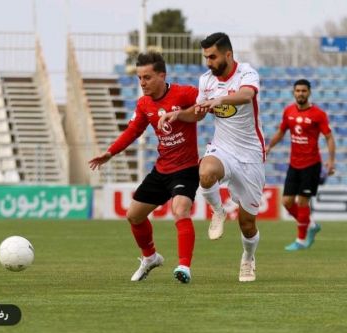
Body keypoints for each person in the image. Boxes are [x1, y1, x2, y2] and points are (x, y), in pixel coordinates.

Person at [160, 32, 265, 282]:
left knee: (248, 224)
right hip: (223, 148)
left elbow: (247, 95)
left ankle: (248, 257)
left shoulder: (247, 73)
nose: (208, 62)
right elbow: (198, 113)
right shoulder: (206, 80)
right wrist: (178, 115)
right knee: (206, 173)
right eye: (206, 57)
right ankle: (218, 210)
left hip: (250, 156)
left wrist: (220, 99)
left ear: (228, 55)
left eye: (213, 56)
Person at [89, 52, 199, 284]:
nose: (142, 83)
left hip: (186, 169)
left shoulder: (185, 93)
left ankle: (184, 267)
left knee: (180, 210)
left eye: (147, 77)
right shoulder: (144, 104)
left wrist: (182, 114)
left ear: (162, 75)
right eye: (140, 78)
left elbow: (206, 106)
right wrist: (110, 152)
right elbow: (133, 131)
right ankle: (150, 258)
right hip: (161, 169)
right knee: (134, 216)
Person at [266, 79, 336, 251]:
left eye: (304, 91)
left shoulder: (318, 114)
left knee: (303, 201)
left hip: (311, 165)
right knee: (287, 201)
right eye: (297, 91)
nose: (300, 94)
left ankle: (301, 240)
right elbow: (281, 132)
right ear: (293, 92)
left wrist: (331, 160)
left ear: (309, 92)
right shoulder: (288, 111)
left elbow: (329, 137)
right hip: (294, 164)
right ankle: (311, 224)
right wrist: (269, 146)